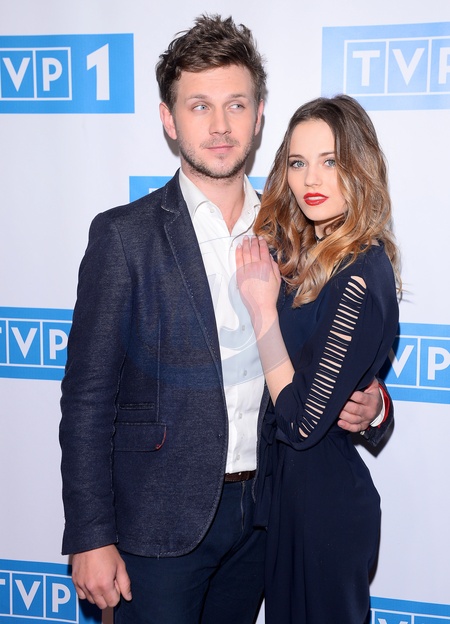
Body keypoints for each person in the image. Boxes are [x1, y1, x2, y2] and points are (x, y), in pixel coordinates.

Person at [59, 16, 392, 624]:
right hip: (158, 526)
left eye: (235, 105)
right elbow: (87, 398)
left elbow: (332, 355)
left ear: (259, 116)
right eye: (199, 106)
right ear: (169, 119)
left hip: (267, 517)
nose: (219, 125)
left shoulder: (298, 236)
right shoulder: (124, 237)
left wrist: (374, 405)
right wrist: (90, 535)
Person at [236, 94, 401, 624]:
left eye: (330, 161)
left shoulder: (359, 274)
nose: (312, 178)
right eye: (298, 162)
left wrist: (264, 312)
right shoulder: (308, 253)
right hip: (288, 501)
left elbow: (303, 423)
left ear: (359, 167)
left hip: (323, 511)